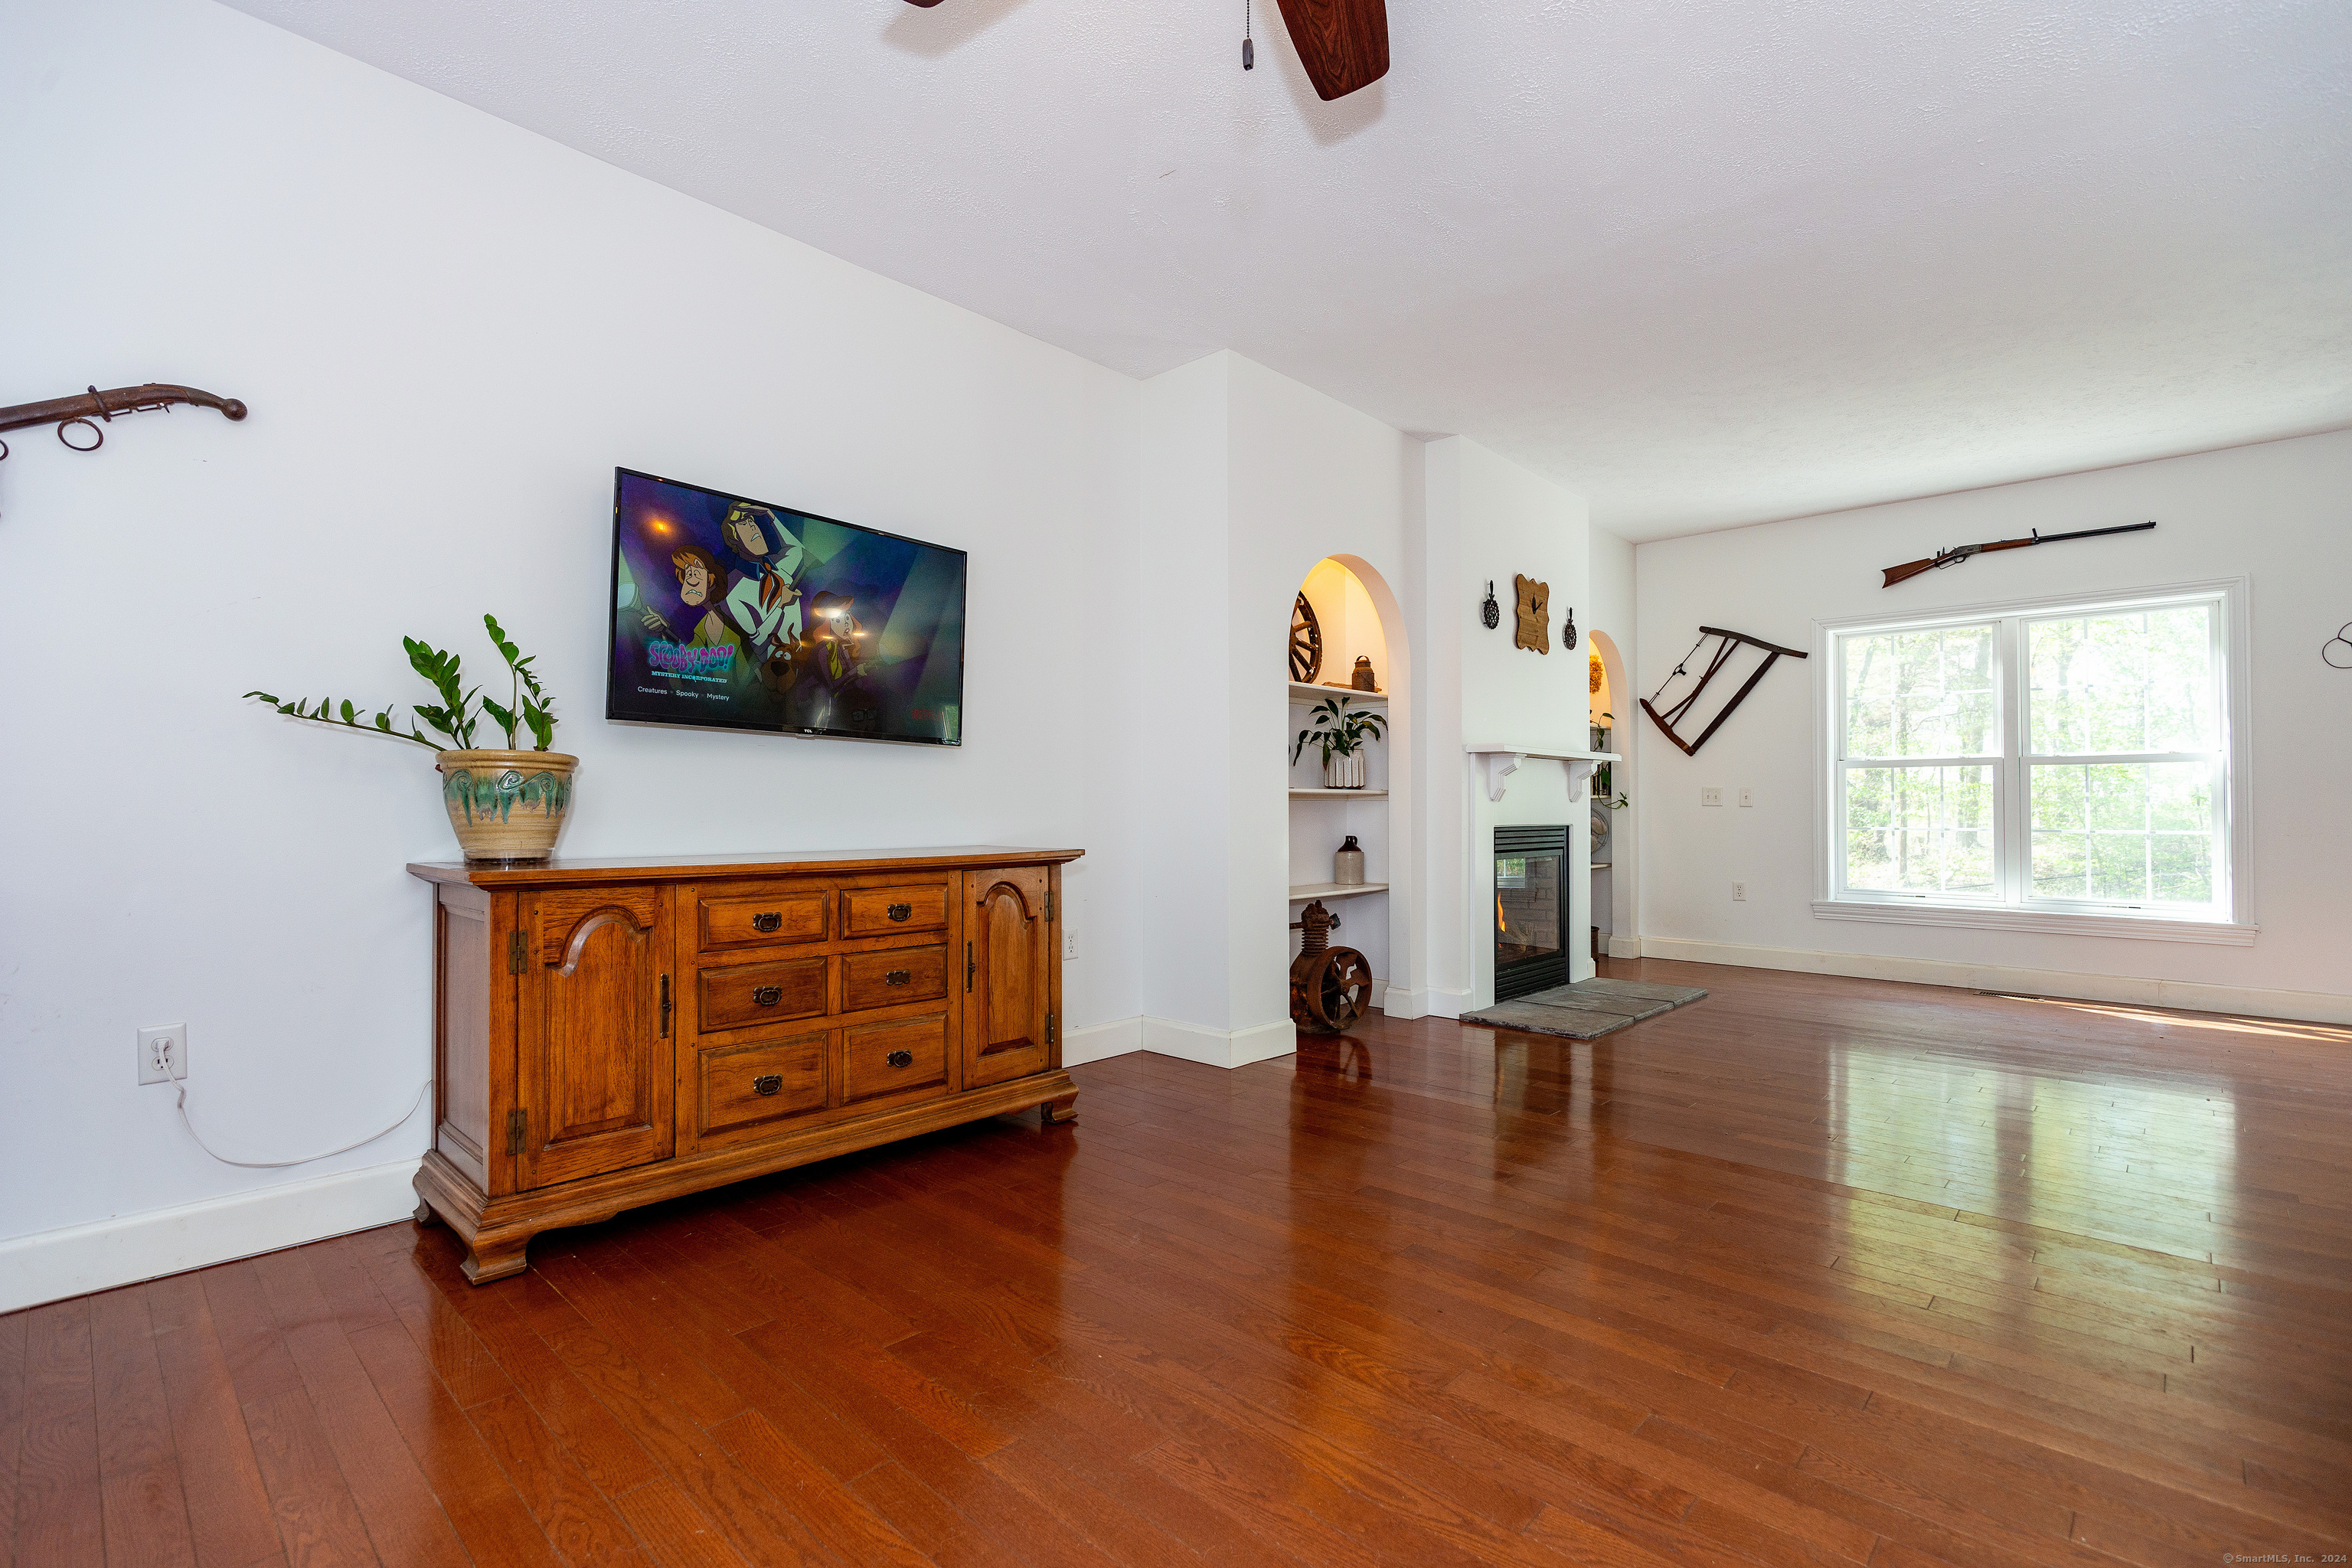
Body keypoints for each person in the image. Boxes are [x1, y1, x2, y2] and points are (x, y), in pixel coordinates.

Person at [714, 502, 806, 669]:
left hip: (797, 664)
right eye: (743, 524)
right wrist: (780, 604)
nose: (753, 528)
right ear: (733, 538)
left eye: (752, 521)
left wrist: (770, 514)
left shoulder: (779, 567)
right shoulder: (733, 591)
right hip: (770, 672)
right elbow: (757, 643)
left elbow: (800, 551)